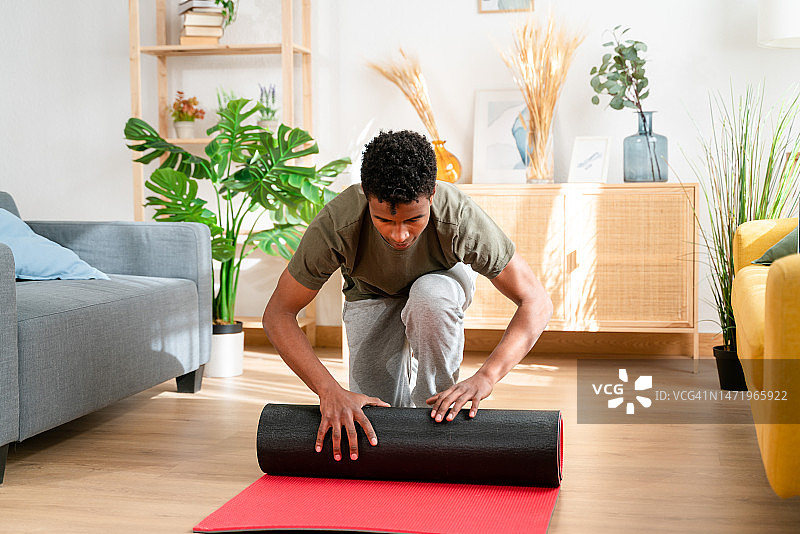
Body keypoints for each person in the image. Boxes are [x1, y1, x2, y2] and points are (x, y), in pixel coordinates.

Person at [262, 130, 552, 463]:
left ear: (431, 194)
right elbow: (278, 314)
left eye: (414, 219)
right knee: (377, 418)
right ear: (367, 196)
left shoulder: (458, 216)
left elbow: (536, 301)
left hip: (439, 283)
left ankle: (440, 421)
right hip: (370, 291)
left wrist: (486, 377)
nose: (399, 234)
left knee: (431, 298)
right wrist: (328, 391)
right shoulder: (338, 223)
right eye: (383, 220)